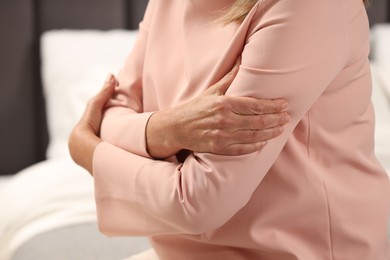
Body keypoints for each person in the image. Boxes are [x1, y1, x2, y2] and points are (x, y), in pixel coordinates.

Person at [69, 0, 390, 259]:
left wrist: (85, 150)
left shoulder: (308, 8)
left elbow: (197, 201)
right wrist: (165, 129)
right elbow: (113, 109)